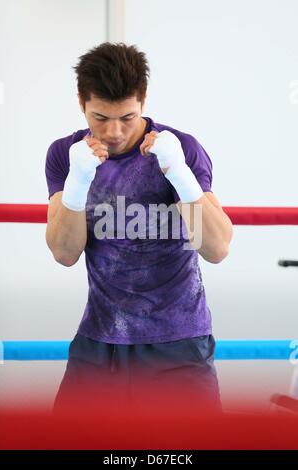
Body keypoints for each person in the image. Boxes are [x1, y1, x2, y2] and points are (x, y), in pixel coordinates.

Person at [45, 42, 233, 416]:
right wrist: (78, 183)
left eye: (127, 117)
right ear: (81, 101)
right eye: (100, 117)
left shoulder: (181, 149)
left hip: (178, 340)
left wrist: (180, 176)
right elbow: (64, 253)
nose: (114, 132)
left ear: (143, 101)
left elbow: (216, 248)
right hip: (99, 341)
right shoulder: (65, 154)